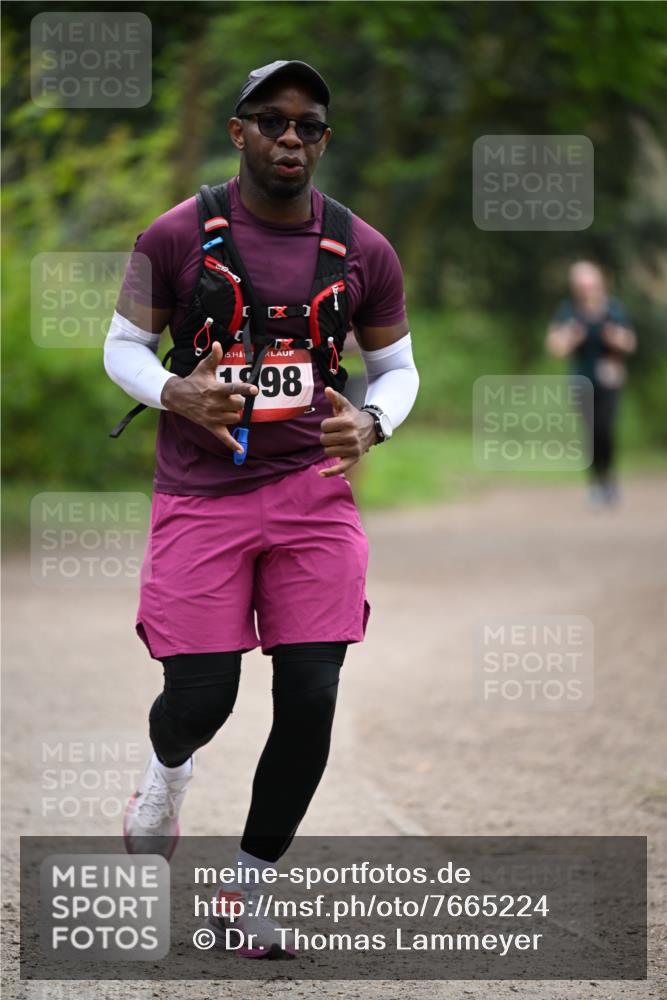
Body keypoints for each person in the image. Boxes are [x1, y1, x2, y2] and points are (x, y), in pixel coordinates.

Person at [103, 59, 419, 958]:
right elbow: (121, 347)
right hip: (201, 496)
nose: (290, 138)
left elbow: (396, 368)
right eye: (271, 121)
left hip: (314, 498)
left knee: (311, 693)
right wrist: (175, 393)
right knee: (201, 697)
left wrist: (375, 420)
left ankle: (246, 891)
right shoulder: (174, 234)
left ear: (322, 138)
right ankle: (164, 780)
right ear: (237, 131)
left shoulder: (364, 250)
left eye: (308, 125)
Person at [546, 260, 636, 508]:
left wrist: (614, 337)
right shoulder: (568, 311)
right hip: (581, 381)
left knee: (606, 430)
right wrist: (571, 336)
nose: (586, 290)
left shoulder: (613, 309)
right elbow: (554, 347)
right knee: (590, 433)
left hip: (609, 380)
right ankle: (596, 483)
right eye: (581, 285)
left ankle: (608, 479)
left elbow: (630, 343)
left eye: (590, 284)